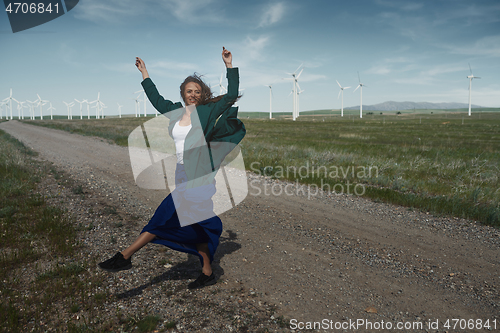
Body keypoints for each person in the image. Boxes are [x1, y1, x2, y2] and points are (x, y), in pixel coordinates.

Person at [98, 47, 245, 289]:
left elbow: (230, 95)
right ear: (183, 93)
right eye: (189, 91)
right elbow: (156, 100)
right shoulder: (175, 112)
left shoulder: (208, 111)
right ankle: (207, 271)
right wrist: (145, 74)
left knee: (164, 215)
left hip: (199, 176)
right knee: (192, 220)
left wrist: (229, 66)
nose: (193, 94)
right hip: (181, 173)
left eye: (197, 91)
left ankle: (125, 256)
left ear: (202, 94)